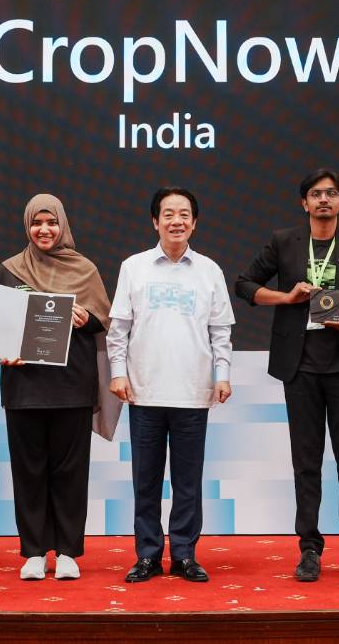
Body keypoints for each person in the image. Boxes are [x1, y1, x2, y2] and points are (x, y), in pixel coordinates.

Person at [234, 168, 339, 583]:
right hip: (299, 366)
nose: (324, 199)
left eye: (331, 193)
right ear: (304, 203)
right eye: (316, 194)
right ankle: (309, 548)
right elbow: (244, 285)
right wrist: (285, 297)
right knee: (306, 463)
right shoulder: (284, 242)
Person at [106, 187, 234, 584]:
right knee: (145, 482)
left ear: (194, 223)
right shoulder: (134, 267)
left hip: (193, 392)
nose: (176, 221)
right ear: (155, 221)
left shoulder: (209, 270)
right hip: (144, 391)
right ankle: (147, 556)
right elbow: (118, 329)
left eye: (184, 214)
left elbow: (220, 331)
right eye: (168, 214)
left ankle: (183, 555)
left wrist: (223, 374)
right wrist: (118, 372)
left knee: (187, 483)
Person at [0, 193, 118, 581]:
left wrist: (85, 318)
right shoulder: (9, 270)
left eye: (51, 222)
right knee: (28, 472)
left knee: (71, 472)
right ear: (27, 226)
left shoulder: (84, 269)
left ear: (63, 225)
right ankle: (33, 552)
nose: (44, 230)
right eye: (37, 223)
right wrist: (3, 351)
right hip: (24, 387)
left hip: (71, 385)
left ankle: (67, 551)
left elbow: (104, 320)